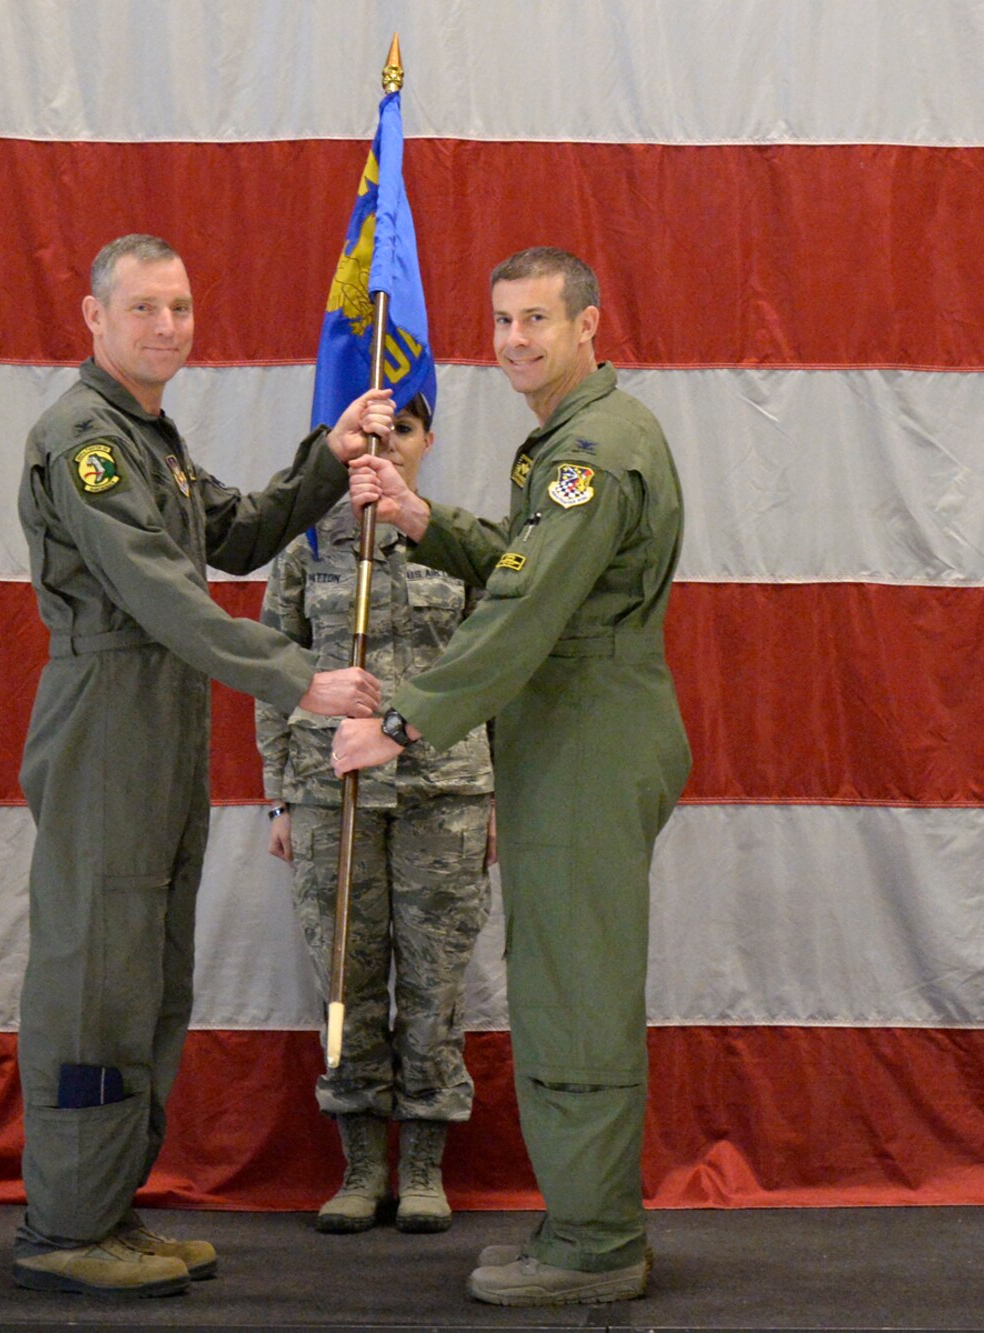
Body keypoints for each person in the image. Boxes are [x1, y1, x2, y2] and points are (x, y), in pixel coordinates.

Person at [13, 233, 389, 1298]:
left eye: (179, 306)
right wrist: (294, 676)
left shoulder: (151, 439)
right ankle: (62, 1225)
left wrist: (332, 447)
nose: (167, 326)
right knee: (95, 966)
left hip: (160, 707)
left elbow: (237, 533)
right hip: (107, 713)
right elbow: (158, 591)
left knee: (146, 967)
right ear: (94, 318)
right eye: (143, 308)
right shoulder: (83, 438)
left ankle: (104, 1206)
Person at [332, 247, 690, 1307]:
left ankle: (593, 1242)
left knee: (571, 985)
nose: (515, 341)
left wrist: (405, 718)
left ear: (588, 324)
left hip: (588, 732)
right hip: (571, 729)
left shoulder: (593, 453)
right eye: (501, 321)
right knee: (557, 973)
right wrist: (419, 518)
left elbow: (524, 613)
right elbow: (526, 568)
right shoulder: (576, 439)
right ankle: (583, 1214)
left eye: (537, 319)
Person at [255, 393, 495, 1236]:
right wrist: (280, 794)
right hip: (331, 792)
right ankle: (361, 1165)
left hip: (446, 794)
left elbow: (496, 672)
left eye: (405, 428)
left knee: (434, 984)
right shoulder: (309, 542)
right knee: (345, 982)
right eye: (373, 428)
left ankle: (423, 1166)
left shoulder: (462, 542)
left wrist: (498, 796)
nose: (386, 440)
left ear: (428, 441)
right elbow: (276, 665)